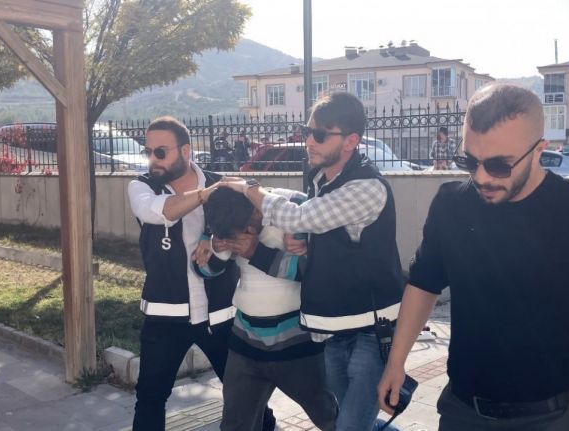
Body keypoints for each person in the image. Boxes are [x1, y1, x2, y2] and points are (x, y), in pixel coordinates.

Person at [377, 84, 569, 431]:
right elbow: (423, 282)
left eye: (499, 165)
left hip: (549, 419)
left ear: (539, 150)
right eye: (469, 161)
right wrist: (396, 362)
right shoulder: (452, 204)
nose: (480, 176)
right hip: (462, 412)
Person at [220, 92, 404, 430]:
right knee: (347, 422)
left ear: (351, 141)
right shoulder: (321, 179)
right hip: (333, 327)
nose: (308, 141)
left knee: (349, 427)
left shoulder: (367, 187)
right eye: (307, 131)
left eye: (319, 134)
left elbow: (299, 216)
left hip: (371, 330)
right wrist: (306, 242)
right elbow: (329, 232)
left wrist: (249, 189)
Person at [127, 116, 275, 430]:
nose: (153, 159)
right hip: (164, 315)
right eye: (148, 152)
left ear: (186, 151)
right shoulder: (142, 186)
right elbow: (157, 211)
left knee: (246, 394)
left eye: (161, 152)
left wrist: (216, 237)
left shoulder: (220, 183)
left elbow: (251, 220)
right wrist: (205, 195)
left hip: (221, 314)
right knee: (151, 396)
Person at [196, 187, 337, 431]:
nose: (247, 234)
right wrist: (215, 246)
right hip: (245, 340)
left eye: (247, 229)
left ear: (254, 210)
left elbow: (313, 271)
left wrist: (256, 251)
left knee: (331, 418)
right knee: (235, 424)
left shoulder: (294, 208)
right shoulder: (226, 213)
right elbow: (205, 270)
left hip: (297, 342)